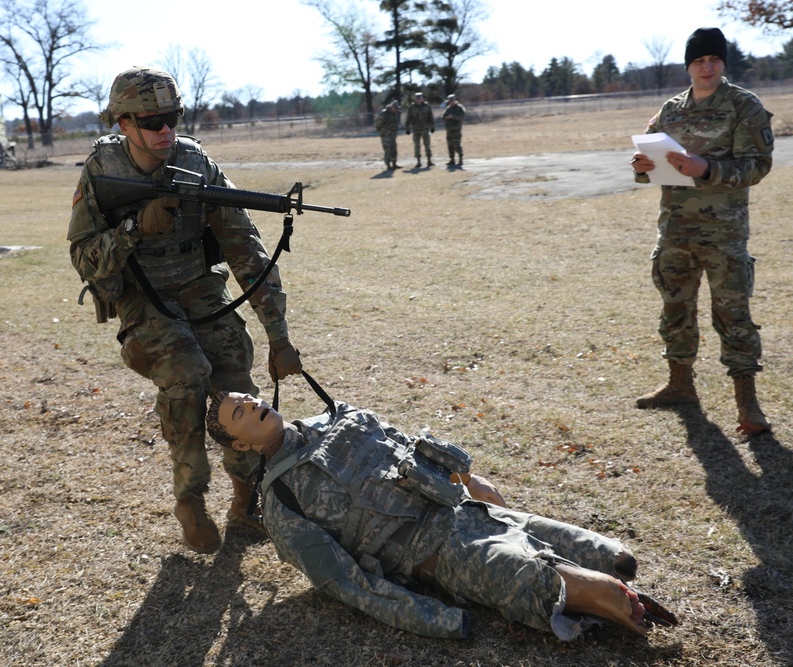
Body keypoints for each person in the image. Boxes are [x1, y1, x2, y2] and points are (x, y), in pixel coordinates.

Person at [206, 391, 678, 640]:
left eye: (248, 397)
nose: (253, 404)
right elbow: (346, 582)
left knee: (615, 555)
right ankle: (591, 593)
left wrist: (471, 481)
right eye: (239, 413)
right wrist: (434, 617)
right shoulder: (282, 504)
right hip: (432, 552)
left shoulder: (338, 416)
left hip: (464, 509)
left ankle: (603, 578)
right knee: (528, 575)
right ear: (242, 445)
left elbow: (409, 446)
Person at [66, 67, 303, 555]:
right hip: (141, 294)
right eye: (152, 121)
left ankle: (246, 500)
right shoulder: (103, 170)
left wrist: (279, 338)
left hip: (198, 288)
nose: (165, 130)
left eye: (173, 116)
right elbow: (83, 258)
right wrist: (136, 228)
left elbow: (245, 250)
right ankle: (190, 501)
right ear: (124, 123)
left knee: (236, 377)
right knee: (188, 373)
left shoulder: (197, 161)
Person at [630, 27, 775, 436]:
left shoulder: (744, 106)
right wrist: (642, 168)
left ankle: (748, 402)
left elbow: (758, 166)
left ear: (722, 63)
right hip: (675, 229)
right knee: (675, 310)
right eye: (698, 61)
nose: (706, 67)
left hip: (724, 233)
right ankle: (680, 386)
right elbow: (655, 157)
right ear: (689, 66)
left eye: (713, 60)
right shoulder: (671, 108)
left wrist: (706, 168)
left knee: (733, 315)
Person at [404, 92, 435, 168]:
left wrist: (432, 127)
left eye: (420, 98)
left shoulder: (427, 106)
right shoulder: (412, 107)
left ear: (422, 99)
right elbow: (408, 118)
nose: (418, 100)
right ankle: (418, 161)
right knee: (417, 146)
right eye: (417, 99)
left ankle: (429, 161)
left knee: (427, 145)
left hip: (425, 128)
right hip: (416, 129)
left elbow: (431, 117)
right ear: (415, 99)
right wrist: (407, 128)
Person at [374, 100, 401, 170]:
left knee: (394, 149)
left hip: (392, 135)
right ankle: (388, 165)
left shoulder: (394, 113)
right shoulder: (385, 113)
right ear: (392, 107)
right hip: (386, 135)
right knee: (387, 150)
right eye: (396, 108)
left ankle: (394, 163)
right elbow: (378, 123)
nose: (396, 110)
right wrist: (382, 131)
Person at [442, 94, 466, 169]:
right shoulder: (448, 108)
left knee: (456, 144)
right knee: (450, 145)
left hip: (456, 129)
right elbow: (443, 116)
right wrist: (445, 117)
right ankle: (452, 159)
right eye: (449, 101)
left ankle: (460, 158)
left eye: (451, 101)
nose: (450, 102)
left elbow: (462, 116)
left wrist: (453, 116)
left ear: (454, 100)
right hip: (449, 129)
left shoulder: (459, 108)